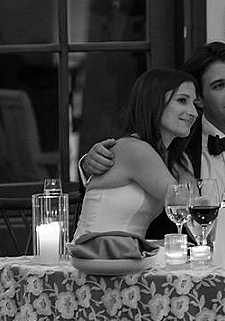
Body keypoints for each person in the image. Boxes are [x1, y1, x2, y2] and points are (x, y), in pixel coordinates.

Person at [80, 41, 225, 237]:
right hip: (152, 272)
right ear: (202, 100)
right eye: (219, 85)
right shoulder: (152, 151)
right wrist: (87, 163)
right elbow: (187, 210)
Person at [71, 68, 198, 260]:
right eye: (182, 100)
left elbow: (195, 218)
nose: (193, 112)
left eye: (194, 104)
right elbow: (185, 204)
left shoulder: (174, 159)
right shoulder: (134, 149)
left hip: (129, 261)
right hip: (92, 260)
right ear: (154, 103)